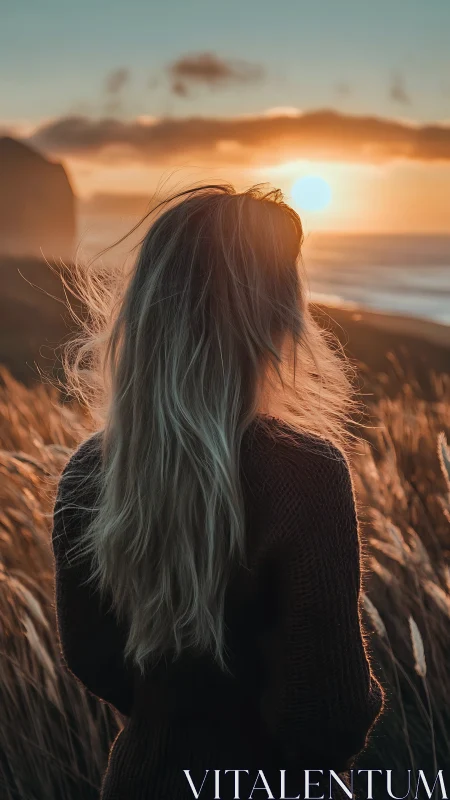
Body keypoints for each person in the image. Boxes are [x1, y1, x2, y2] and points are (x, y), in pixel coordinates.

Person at [51, 183, 385, 800]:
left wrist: (176, 713)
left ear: (147, 313)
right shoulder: (306, 474)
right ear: (276, 320)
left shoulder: (89, 472)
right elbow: (326, 713)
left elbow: (92, 657)